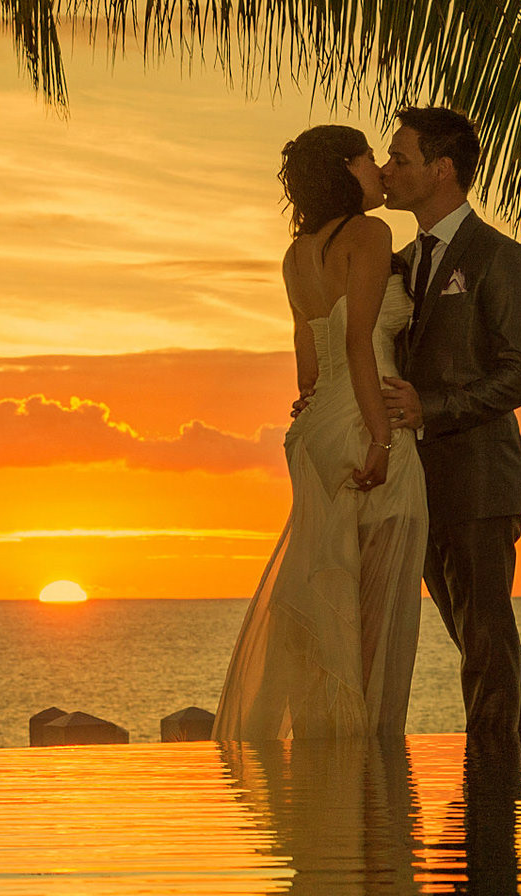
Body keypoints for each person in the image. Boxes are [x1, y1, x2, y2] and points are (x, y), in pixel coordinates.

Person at [213, 124, 428, 742]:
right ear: (344, 167)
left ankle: (330, 755)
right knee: (375, 605)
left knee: (330, 588)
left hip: (315, 429)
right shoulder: (369, 233)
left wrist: (321, 414)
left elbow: (308, 361)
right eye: (367, 158)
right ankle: (368, 758)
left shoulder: (297, 253)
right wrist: (383, 440)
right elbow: (359, 340)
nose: (377, 170)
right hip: (367, 416)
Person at [376, 106, 521, 746]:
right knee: (479, 636)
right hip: (416, 483)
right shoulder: (393, 265)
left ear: (442, 170)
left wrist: (433, 409)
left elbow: (518, 374)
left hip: (481, 481)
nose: (386, 169)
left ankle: (490, 801)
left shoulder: (500, 258)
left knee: (483, 640)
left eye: (400, 158)